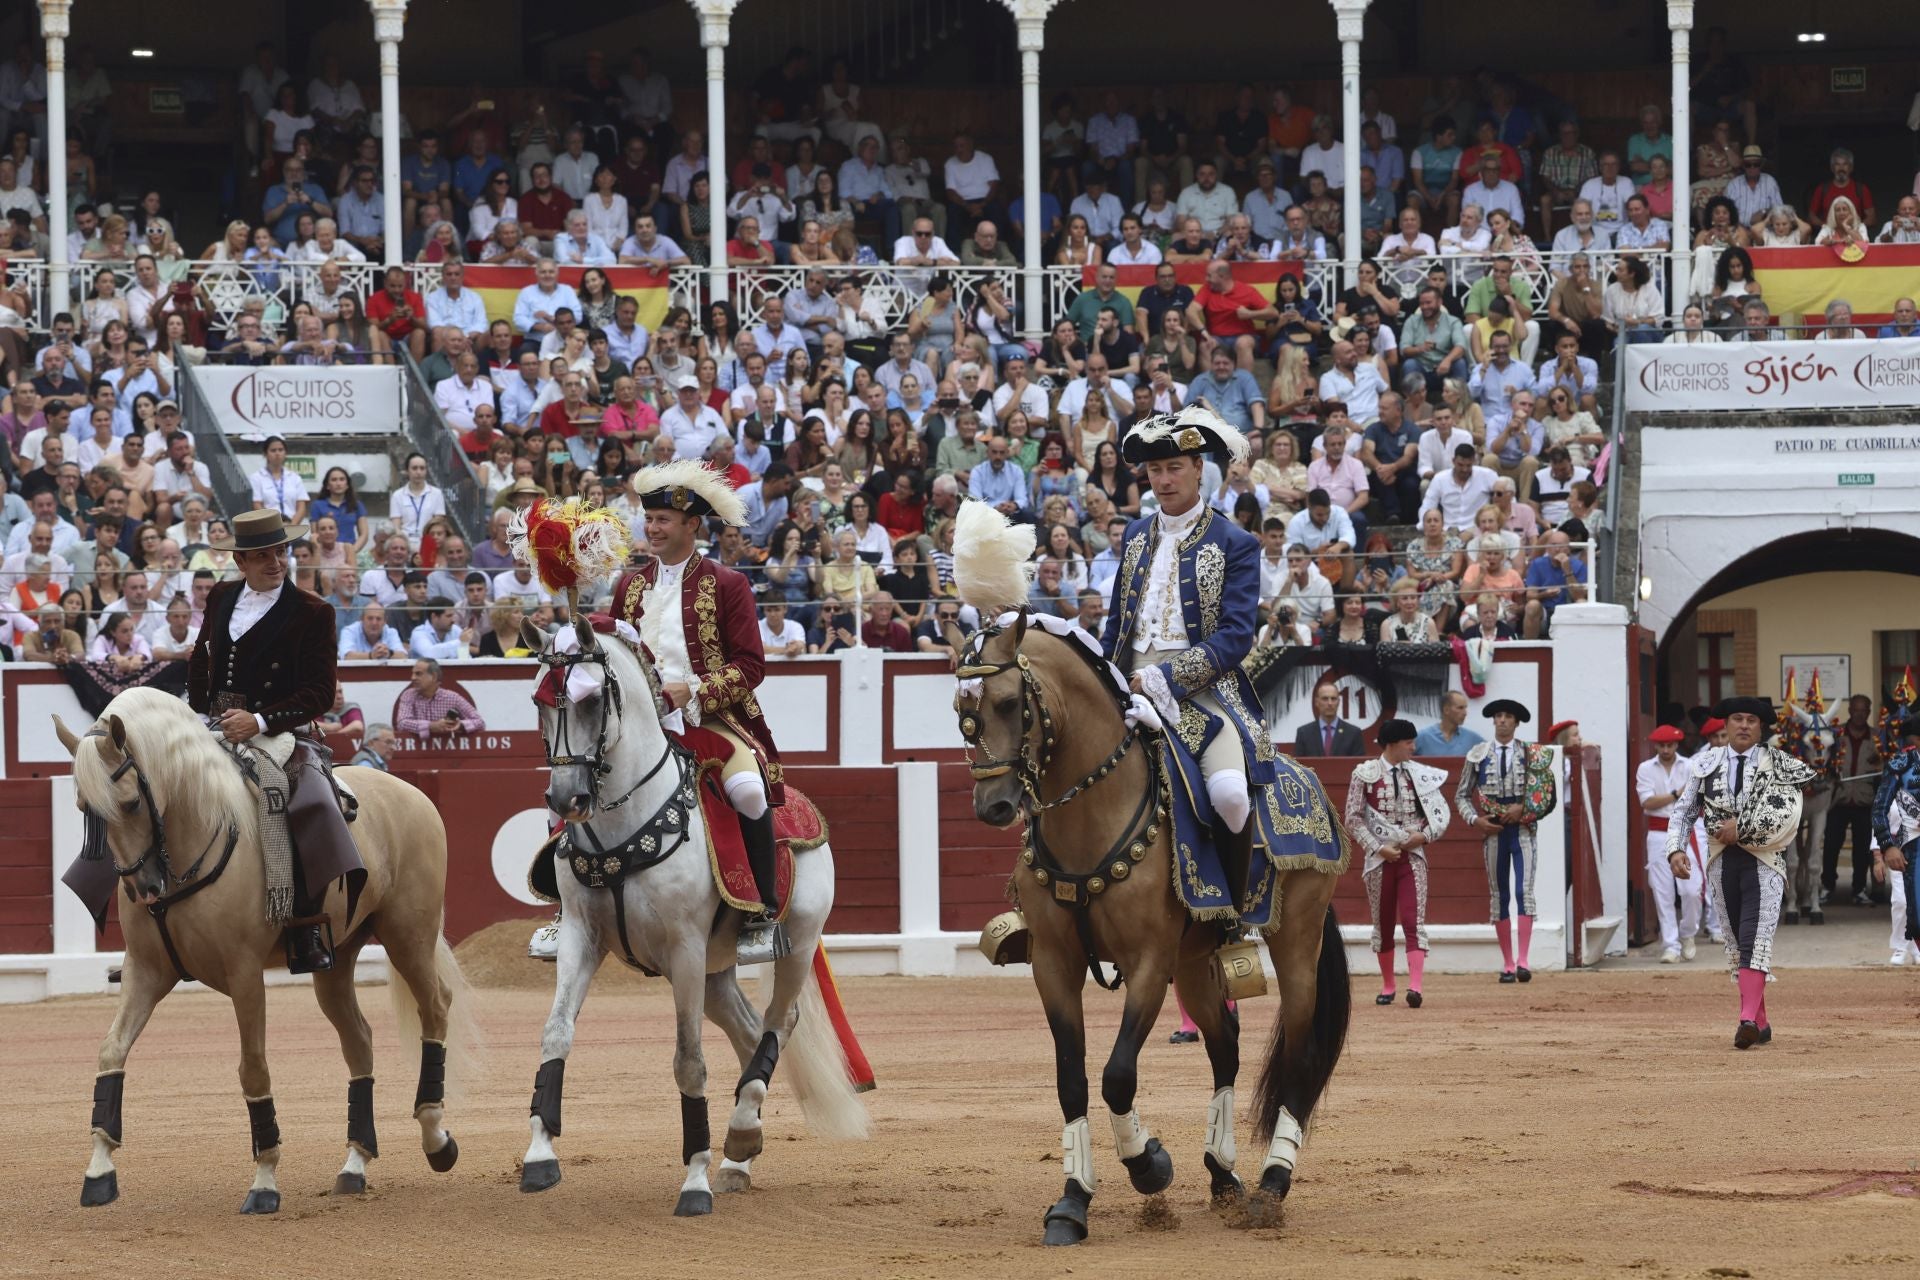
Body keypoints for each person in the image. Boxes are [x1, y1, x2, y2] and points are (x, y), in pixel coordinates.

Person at [531, 461, 788, 959]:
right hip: (640, 726)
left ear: (692, 525)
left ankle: (761, 913)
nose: (652, 528)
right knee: (572, 784)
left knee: (750, 791)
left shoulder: (729, 584)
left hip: (710, 720)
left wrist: (691, 692)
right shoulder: (631, 586)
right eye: (649, 520)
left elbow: (751, 666)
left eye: (663, 520)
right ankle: (567, 911)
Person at [1097, 403, 1284, 907]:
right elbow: (1118, 622)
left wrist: (1164, 679)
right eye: (1155, 470)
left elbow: (1235, 637)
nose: (1163, 479)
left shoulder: (1236, 542)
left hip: (1203, 694)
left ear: (1199, 468)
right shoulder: (1135, 535)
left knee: (1229, 795)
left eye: (1174, 467)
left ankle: (1235, 912)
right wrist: (1104, 675)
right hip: (1126, 684)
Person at [184, 509, 362, 974]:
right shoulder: (221, 596)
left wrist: (260, 720)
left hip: (278, 731)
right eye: (263, 555)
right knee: (151, 782)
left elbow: (320, 693)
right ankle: (149, 922)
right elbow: (202, 658)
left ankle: (303, 926)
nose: (276, 562)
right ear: (240, 560)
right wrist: (198, 710)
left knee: (298, 801)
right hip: (214, 723)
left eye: (280, 552)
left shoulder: (314, 611)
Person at [1666, 696, 1818, 1047]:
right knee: (1736, 942)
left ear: (1761, 727)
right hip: (1721, 861)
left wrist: (1743, 828)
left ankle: (1746, 1019)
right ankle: (1760, 1022)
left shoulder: (1780, 764)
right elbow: (1685, 810)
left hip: (1764, 861)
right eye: (1738, 718)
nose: (1744, 725)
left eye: (1751, 719)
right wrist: (1675, 848)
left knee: (1754, 938)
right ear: (1726, 724)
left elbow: (1788, 815)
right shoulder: (1705, 763)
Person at [1349, 718, 1451, 1007]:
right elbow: (1353, 818)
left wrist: (1424, 836)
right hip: (1379, 861)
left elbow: (1440, 814)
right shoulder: (1364, 774)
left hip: (1412, 858)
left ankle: (1415, 987)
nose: (1413, 747)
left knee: (1411, 920)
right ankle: (1388, 984)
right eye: (1409, 742)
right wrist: (1379, 848)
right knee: (1382, 923)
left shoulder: (1419, 774)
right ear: (1393, 744)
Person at [1455, 698, 1558, 983]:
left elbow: (1546, 794)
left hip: (1523, 829)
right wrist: (1476, 820)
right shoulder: (1477, 754)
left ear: (1516, 722)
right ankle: (1508, 963)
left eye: (1507, 716)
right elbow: (1462, 795)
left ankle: (1523, 960)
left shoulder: (1531, 754)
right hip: (1494, 831)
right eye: (1498, 716)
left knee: (1524, 891)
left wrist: (1523, 809)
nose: (1501, 720)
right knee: (1499, 894)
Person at [1638, 723, 1702, 965]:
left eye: (1670, 745)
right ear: (1655, 745)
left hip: (1685, 830)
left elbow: (1696, 798)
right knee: (1662, 890)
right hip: (1657, 832)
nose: (1665, 749)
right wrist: (1677, 794)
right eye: (1662, 745)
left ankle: (1688, 933)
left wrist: (1678, 796)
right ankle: (1670, 944)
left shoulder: (1689, 766)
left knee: (1691, 890)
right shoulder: (1645, 768)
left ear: (1677, 744)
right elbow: (1647, 803)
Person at [396, 657, 484, 739]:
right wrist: (431, 726)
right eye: (413, 673)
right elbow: (402, 723)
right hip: (417, 754)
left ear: (433, 676)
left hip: (448, 753)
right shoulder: (408, 695)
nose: (413, 678)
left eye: (418, 674)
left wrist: (460, 725)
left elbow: (480, 722)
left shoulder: (452, 697)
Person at [1294, 681, 1363, 756]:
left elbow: (1359, 765)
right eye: (1325, 699)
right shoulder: (1304, 733)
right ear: (1317, 702)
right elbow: (1298, 765)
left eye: (1333, 699)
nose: (1330, 703)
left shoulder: (1353, 733)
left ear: (1339, 702)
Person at [1415, 690, 1484, 757]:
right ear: (1446, 710)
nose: (1465, 713)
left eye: (1465, 708)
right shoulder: (1423, 737)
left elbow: (1492, 755)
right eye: (1460, 708)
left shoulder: (1472, 739)